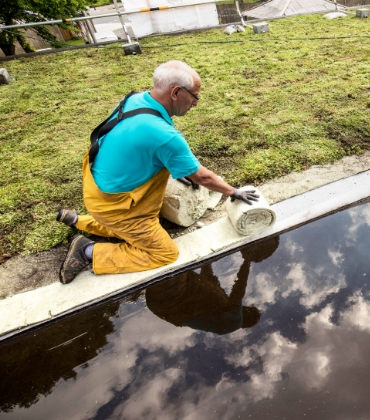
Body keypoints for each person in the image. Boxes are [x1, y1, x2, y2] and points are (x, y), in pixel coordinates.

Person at [57, 60, 259, 284]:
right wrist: (233, 192)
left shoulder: (135, 99)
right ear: (175, 92)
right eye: (194, 97)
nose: (195, 103)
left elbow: (141, 147)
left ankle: (77, 220)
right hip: (117, 206)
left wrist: (176, 169)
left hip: (97, 188)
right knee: (164, 252)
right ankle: (87, 252)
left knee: (140, 226)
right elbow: (202, 177)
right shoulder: (164, 136)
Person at [146, 236, 279, 335]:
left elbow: (238, 292)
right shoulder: (219, 302)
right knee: (178, 253)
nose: (243, 307)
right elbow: (207, 275)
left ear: (247, 316)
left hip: (170, 301)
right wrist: (207, 252)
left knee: (169, 253)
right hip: (171, 298)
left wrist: (247, 261)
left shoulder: (233, 324)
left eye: (248, 309)